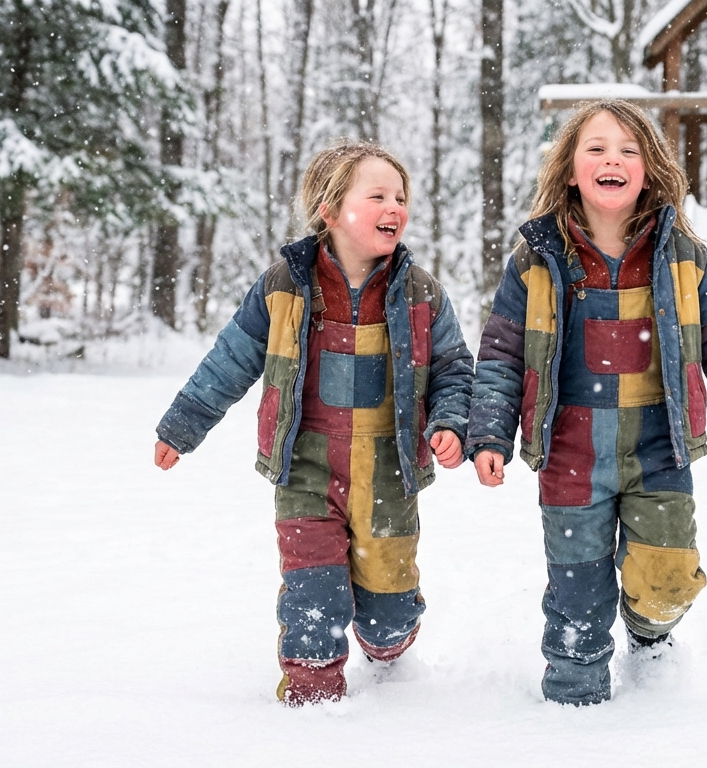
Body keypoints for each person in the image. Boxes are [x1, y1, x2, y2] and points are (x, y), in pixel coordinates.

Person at [467, 100, 707, 706]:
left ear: (648, 170)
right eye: (595, 148)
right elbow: (503, 354)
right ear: (569, 169)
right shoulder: (537, 261)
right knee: (577, 592)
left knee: (668, 577)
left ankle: (650, 634)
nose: (612, 158)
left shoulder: (684, 258)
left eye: (628, 150)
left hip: (658, 447)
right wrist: (488, 434)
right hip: (572, 454)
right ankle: (573, 700)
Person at [154, 141, 473, 706]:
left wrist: (449, 421)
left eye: (400, 196)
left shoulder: (421, 293)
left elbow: (453, 368)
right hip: (306, 465)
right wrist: (183, 426)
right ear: (329, 210)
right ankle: (311, 699)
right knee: (312, 592)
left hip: (389, 471)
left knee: (388, 607)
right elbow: (231, 359)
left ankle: (390, 648)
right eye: (376, 195)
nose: (393, 206)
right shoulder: (284, 287)